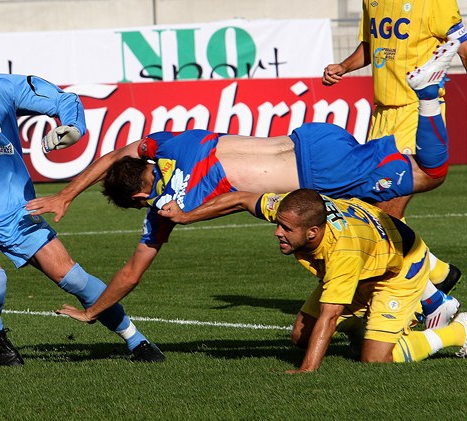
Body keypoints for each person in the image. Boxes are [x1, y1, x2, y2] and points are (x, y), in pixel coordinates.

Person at [27, 42, 460, 330]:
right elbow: (116, 153)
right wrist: (66, 193)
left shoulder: (168, 207)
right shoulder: (174, 143)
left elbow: (131, 273)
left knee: (428, 176)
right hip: (310, 137)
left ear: (140, 197)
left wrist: (91, 313)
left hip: (316, 172)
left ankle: (426, 93)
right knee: (373, 220)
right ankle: (433, 294)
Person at [0, 33, 164, 366]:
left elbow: (62, 99)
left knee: (73, 277)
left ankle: (135, 340)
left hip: (13, 210)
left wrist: (73, 126)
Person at [182, 188, 467, 372]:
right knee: (300, 338)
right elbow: (240, 198)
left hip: (398, 268)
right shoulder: (296, 208)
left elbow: (329, 317)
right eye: (278, 223)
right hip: (369, 256)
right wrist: (184, 218)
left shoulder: (342, 251)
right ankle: (367, 325)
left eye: (286, 228)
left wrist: (306, 371)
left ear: (313, 232)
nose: (277, 232)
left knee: (375, 359)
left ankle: (458, 331)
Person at [322, 0, 467, 297]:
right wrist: (343, 67)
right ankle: (436, 275)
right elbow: (371, 44)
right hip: (382, 115)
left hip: (417, 111)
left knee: (385, 209)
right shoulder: (371, 1)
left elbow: (463, 45)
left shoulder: (434, 3)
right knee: (365, 205)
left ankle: (423, 295)